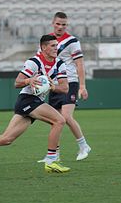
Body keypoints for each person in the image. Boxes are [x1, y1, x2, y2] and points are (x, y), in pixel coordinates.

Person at [0, 35, 70, 173]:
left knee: (6, 139)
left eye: (56, 45)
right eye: (52, 46)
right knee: (59, 120)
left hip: (36, 102)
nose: (56, 48)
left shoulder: (59, 64)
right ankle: (51, 161)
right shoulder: (34, 62)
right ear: (43, 47)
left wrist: (53, 87)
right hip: (27, 99)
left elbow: (64, 88)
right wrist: (29, 81)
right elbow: (17, 82)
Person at [38, 12, 91, 162]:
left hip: (70, 83)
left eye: (64, 24)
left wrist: (82, 86)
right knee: (55, 120)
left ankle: (83, 146)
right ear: (53, 23)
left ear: (66, 25)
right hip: (55, 85)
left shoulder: (72, 41)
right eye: (58, 24)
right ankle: (54, 155)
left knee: (66, 117)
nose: (60, 27)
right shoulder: (47, 41)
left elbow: (79, 63)